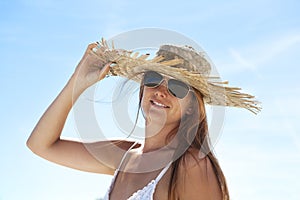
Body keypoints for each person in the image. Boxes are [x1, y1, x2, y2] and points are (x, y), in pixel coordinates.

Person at [27, 39, 260, 200]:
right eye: (153, 78)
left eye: (178, 87)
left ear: (191, 107)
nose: (160, 90)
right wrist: (78, 80)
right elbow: (41, 144)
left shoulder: (191, 166)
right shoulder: (124, 156)